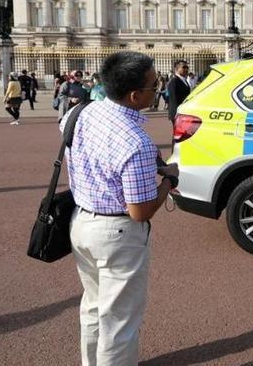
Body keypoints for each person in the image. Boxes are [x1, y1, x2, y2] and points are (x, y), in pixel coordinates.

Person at [65, 51, 179, 365]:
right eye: (153, 86)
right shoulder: (136, 141)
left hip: (81, 222)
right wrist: (168, 182)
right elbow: (140, 211)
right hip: (116, 235)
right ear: (133, 96)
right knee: (119, 323)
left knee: (92, 306)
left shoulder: (84, 112)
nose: (157, 90)